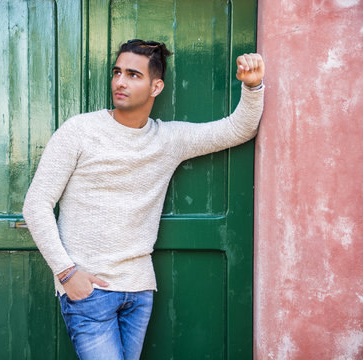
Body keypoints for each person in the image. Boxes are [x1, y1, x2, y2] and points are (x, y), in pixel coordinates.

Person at [22, 39, 265, 360]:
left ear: (156, 86)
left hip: (139, 290)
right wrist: (67, 274)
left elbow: (238, 129)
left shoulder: (168, 140)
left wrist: (253, 85)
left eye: (134, 75)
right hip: (89, 291)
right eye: (117, 72)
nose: (120, 82)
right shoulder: (79, 131)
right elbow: (36, 204)